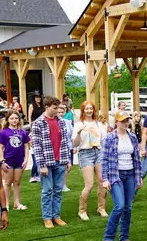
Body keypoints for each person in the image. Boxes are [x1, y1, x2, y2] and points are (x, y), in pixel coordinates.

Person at [100, 111, 142, 241]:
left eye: (127, 120)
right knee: (119, 206)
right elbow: (104, 159)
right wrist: (105, 179)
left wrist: (138, 177)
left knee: (128, 207)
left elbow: (136, 159)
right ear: (116, 122)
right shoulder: (109, 138)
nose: (125, 123)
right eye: (122, 120)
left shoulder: (133, 137)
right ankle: (108, 238)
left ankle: (124, 237)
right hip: (115, 175)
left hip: (130, 174)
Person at [31, 96, 73, 228]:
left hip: (60, 160)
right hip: (46, 162)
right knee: (47, 191)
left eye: (58, 108)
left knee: (58, 190)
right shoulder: (38, 123)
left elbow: (65, 142)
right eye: (55, 108)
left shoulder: (61, 121)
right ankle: (47, 217)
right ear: (47, 106)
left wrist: (67, 160)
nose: (57, 111)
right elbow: (36, 146)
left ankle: (56, 216)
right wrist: (41, 165)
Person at [72, 101, 107, 220]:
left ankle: (101, 208)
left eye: (91, 108)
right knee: (89, 184)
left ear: (94, 110)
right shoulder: (78, 124)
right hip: (85, 153)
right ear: (82, 110)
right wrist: (79, 132)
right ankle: (82, 210)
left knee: (103, 182)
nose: (89, 111)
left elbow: (103, 139)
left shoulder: (98, 124)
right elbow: (75, 143)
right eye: (86, 109)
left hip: (98, 152)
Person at [0, 111, 30, 211]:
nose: (14, 120)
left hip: (19, 161)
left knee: (17, 182)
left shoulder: (22, 132)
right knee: (7, 182)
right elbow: (0, 147)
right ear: (8, 120)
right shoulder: (4, 132)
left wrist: (26, 159)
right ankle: (5, 204)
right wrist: (2, 161)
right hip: (8, 161)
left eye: (16, 118)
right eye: (12, 118)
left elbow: (26, 146)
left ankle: (16, 202)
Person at [28, 93, 45, 183]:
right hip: (34, 123)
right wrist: (31, 125)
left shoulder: (42, 106)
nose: (38, 99)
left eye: (39, 97)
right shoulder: (32, 106)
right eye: (36, 97)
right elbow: (30, 116)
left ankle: (37, 174)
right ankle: (33, 175)